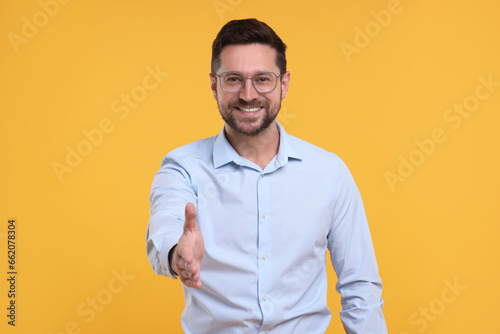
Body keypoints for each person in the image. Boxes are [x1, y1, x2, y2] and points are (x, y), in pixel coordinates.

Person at [146, 18, 387, 334]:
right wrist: (178, 254)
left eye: (263, 79)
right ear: (214, 84)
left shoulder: (329, 172)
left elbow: (360, 287)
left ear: (284, 84)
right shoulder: (183, 166)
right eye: (233, 79)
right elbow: (165, 224)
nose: (248, 95)